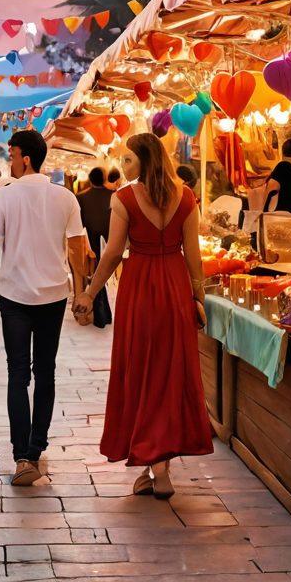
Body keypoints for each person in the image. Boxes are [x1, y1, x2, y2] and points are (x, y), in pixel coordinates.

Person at [73, 132, 212, 499]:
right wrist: (198, 298)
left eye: (128, 160)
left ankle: (157, 467)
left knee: (141, 370)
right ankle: (160, 466)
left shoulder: (124, 199)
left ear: (145, 161)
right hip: (175, 285)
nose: (123, 165)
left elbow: (113, 253)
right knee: (170, 373)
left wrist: (89, 291)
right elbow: (194, 256)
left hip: (139, 288)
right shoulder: (186, 197)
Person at [0, 128, 87, 486]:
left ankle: (22, 455)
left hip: (14, 298)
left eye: (12, 155)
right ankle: (35, 446)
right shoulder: (65, 197)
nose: (10, 161)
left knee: (18, 373)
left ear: (25, 158)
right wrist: (82, 293)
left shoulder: (3, 197)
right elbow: (77, 249)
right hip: (53, 296)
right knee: (46, 371)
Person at [77, 167, 112, 329]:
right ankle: (103, 315)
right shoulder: (115, 195)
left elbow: (80, 223)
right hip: (112, 242)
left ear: (90, 180)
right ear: (104, 179)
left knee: (96, 276)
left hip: (91, 243)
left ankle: (101, 315)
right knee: (102, 277)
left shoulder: (81, 197)